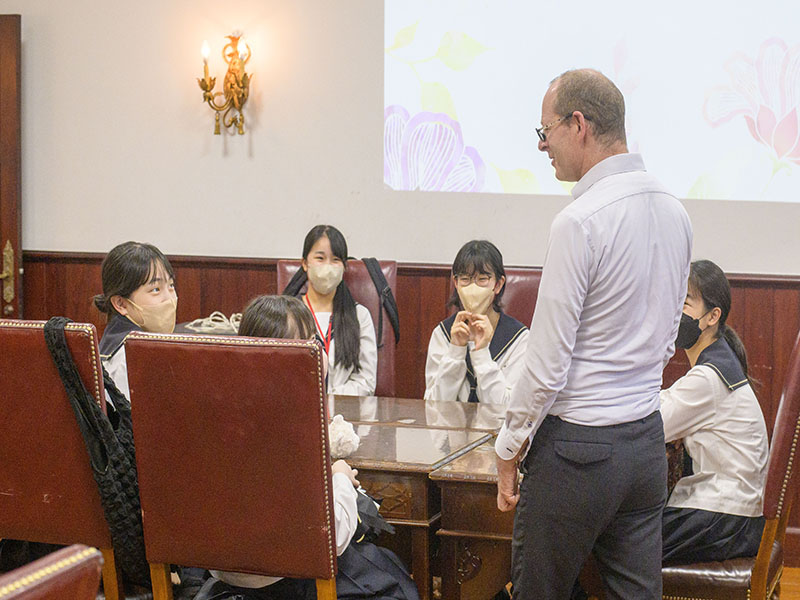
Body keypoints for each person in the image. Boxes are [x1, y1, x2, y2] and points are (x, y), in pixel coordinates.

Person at [494, 69, 692, 599]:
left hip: (576, 454)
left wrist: (509, 447)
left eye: (545, 132)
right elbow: (668, 338)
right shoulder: (676, 212)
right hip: (645, 446)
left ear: (578, 124)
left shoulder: (579, 221)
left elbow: (547, 363)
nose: (542, 146)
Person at [197, 295, 418, 600]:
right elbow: (329, 541)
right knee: (395, 577)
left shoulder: (219, 417)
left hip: (225, 580)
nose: (316, 352)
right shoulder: (289, 429)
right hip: (288, 583)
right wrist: (339, 476)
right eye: (303, 345)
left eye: (314, 340)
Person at [661, 260, 767, 563]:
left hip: (724, 517)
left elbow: (650, 423)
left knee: (616, 543)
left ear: (712, 316)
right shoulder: (717, 365)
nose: (675, 311)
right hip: (731, 514)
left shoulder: (708, 377)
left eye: (685, 303)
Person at [424, 240, 528, 404]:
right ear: (456, 283)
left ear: (498, 284)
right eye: (465, 279)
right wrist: (455, 351)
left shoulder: (519, 338)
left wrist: (482, 354)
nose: (473, 288)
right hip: (452, 421)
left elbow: (508, 406)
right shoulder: (443, 333)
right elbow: (434, 404)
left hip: (497, 421)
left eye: (482, 279)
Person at [282, 225, 378, 396]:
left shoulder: (359, 316)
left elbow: (366, 381)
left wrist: (328, 398)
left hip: (345, 408)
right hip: (298, 404)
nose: (328, 266)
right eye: (320, 258)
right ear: (304, 263)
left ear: (344, 267)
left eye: (335, 260)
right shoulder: (288, 314)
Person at [94, 241, 178, 400]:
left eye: (171, 285)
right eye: (155, 289)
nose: (169, 299)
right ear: (121, 303)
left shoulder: (119, 341)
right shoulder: (129, 357)